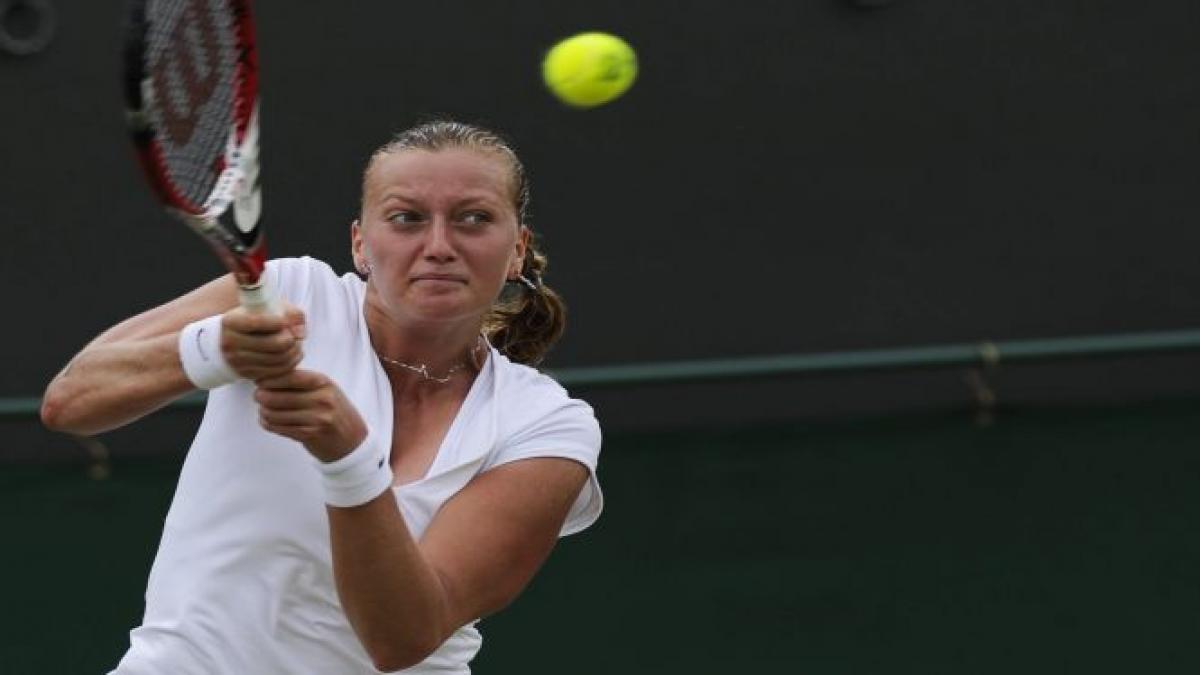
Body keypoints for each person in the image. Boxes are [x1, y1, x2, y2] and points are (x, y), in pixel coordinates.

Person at [41, 120, 603, 674]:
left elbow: (402, 638)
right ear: (360, 243)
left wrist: (348, 456)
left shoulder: (547, 425)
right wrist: (214, 349)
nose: (438, 246)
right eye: (407, 219)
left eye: (473, 219)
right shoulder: (289, 291)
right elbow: (70, 401)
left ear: (516, 251)